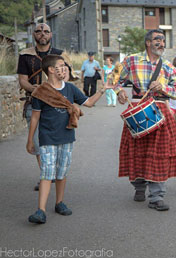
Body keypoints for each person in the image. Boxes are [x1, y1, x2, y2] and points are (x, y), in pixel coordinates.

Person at [26, 54, 111, 224]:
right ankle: (40, 210)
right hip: (47, 137)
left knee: (62, 171)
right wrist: (30, 140)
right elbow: (35, 118)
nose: (64, 68)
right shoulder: (40, 92)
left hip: (67, 136)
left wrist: (102, 89)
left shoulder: (70, 89)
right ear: (51, 69)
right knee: (47, 172)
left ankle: (59, 203)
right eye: (61, 65)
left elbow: (87, 103)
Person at [116, 29, 176, 211]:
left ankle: (156, 196)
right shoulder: (131, 60)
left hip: (160, 109)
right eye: (157, 39)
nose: (161, 42)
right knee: (137, 150)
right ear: (148, 43)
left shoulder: (169, 67)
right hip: (137, 108)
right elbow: (113, 77)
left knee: (159, 153)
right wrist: (119, 91)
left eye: (163, 39)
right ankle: (139, 185)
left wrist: (164, 87)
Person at [17, 23, 77, 191]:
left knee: (60, 141)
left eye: (45, 31)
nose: (42, 34)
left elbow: (68, 76)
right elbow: (23, 80)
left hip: (58, 105)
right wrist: (37, 90)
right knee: (37, 141)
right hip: (34, 102)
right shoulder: (25, 55)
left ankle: (56, 175)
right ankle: (46, 173)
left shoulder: (60, 55)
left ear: (51, 34)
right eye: (38, 31)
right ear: (34, 34)